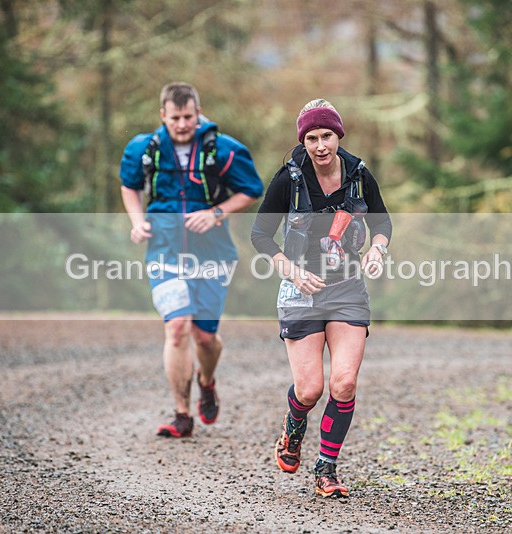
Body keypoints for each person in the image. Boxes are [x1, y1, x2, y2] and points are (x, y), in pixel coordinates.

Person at [250, 99, 392, 497]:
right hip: (300, 290)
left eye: (326, 135)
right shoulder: (288, 181)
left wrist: (378, 249)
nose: (320, 145)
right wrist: (291, 270)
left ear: (338, 135)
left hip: (347, 287)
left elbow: (382, 222)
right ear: (304, 141)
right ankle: (294, 429)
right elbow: (259, 235)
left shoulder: (359, 176)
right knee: (310, 389)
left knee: (344, 383)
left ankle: (326, 469)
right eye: (311, 138)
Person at [120, 82, 263, 438]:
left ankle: (207, 380)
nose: (182, 124)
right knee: (177, 327)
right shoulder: (144, 149)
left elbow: (251, 189)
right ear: (162, 115)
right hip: (164, 250)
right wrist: (137, 222)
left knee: (204, 337)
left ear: (198, 113)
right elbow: (129, 186)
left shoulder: (222, 149)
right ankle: (181, 414)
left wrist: (216, 212)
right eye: (175, 118)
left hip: (211, 252)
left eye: (188, 117)